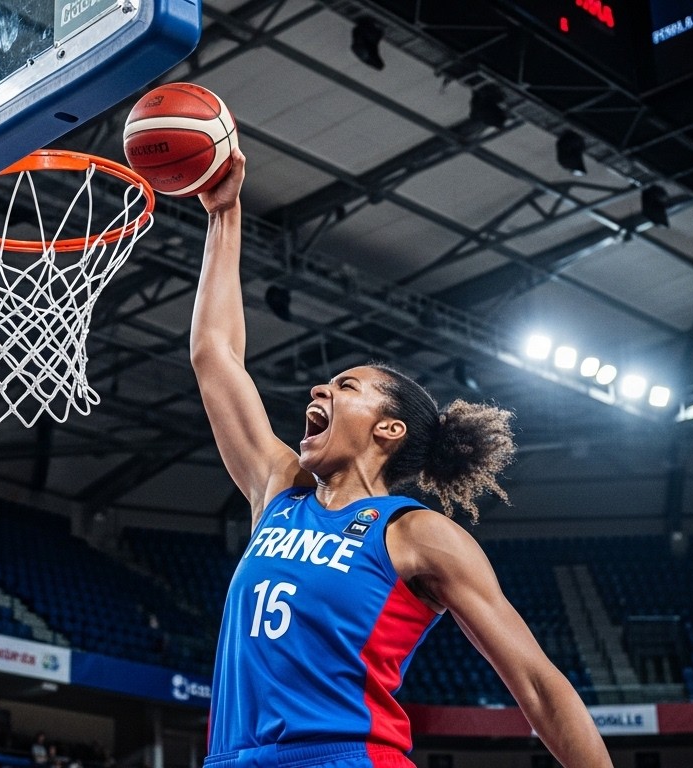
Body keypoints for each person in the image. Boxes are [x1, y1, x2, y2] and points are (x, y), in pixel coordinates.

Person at [188, 151, 612, 767]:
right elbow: (214, 355)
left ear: (388, 429)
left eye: (346, 386)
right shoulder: (277, 490)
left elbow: (539, 686)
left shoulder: (416, 534)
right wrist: (224, 215)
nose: (320, 390)